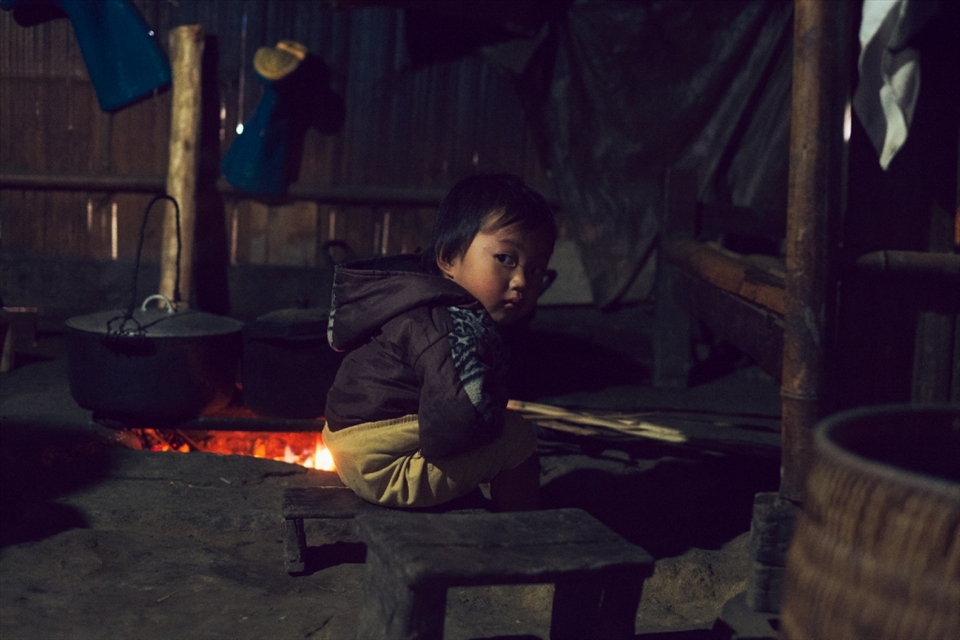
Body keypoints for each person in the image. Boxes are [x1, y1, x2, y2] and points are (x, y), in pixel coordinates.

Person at [321, 173, 557, 511]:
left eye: (535, 269)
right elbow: (454, 426)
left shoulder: (422, 300)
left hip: (355, 447)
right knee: (516, 438)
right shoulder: (452, 326)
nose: (521, 281)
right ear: (448, 258)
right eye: (505, 258)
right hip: (384, 466)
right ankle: (519, 532)